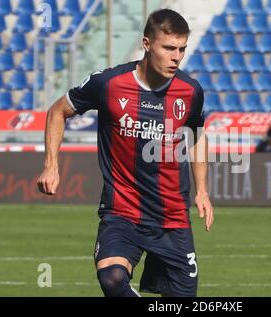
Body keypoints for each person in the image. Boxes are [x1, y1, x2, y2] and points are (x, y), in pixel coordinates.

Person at [37, 9, 214, 297]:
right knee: (112, 278)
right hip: (122, 212)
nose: (177, 57)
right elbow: (58, 111)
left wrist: (202, 190)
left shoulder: (190, 91)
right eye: (169, 48)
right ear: (146, 44)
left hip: (172, 218)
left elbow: (197, 134)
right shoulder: (108, 83)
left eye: (182, 49)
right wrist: (51, 165)